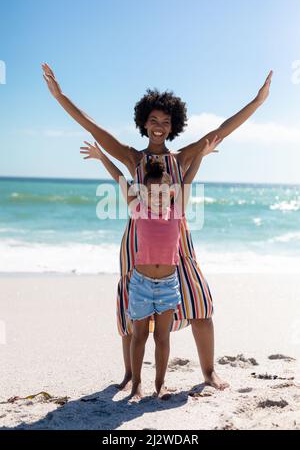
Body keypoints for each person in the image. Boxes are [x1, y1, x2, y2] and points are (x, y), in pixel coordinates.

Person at [42, 63, 273, 390]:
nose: (159, 126)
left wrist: (258, 101)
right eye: (153, 120)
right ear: (143, 123)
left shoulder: (181, 159)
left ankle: (209, 373)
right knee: (131, 315)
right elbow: (92, 127)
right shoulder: (131, 157)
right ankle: (129, 375)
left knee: (200, 304)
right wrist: (59, 95)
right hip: (137, 244)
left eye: (165, 121)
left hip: (178, 243)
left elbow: (224, 128)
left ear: (173, 125)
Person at [80, 136, 221, 400]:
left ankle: (160, 384)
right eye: (151, 192)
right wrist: (102, 158)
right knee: (139, 336)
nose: (156, 196)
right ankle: (136, 386)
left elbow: (188, 178)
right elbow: (120, 179)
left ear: (170, 192)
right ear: (144, 192)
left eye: (162, 192)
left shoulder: (177, 211)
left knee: (163, 339)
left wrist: (201, 153)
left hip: (169, 285)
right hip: (141, 284)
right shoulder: (138, 210)